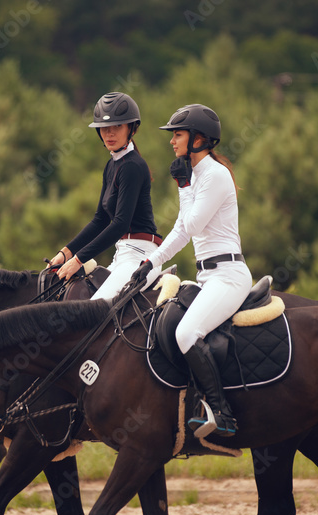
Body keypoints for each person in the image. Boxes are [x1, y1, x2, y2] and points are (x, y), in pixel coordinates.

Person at [131, 104, 251, 438]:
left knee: (186, 334)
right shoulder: (198, 174)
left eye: (178, 135)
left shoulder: (214, 174)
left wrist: (183, 187)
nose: (172, 142)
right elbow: (182, 231)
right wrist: (149, 264)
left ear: (198, 139)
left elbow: (193, 223)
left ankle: (221, 412)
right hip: (207, 276)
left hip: (228, 276)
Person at [47, 92, 162, 300]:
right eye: (105, 128)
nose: (110, 133)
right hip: (123, 254)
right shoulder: (112, 165)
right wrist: (66, 252)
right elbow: (100, 220)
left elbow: (119, 223)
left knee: (94, 309)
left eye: (117, 127)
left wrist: (78, 260)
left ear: (131, 128)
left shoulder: (133, 166)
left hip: (140, 255)